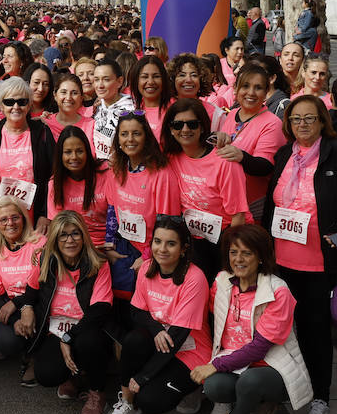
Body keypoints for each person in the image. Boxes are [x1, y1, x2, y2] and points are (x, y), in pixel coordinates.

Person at [262, 95, 337, 414]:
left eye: (310, 118)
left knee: (315, 332)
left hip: (319, 265)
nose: (303, 125)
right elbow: (271, 207)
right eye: (296, 119)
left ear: (322, 121)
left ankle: (320, 395)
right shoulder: (283, 155)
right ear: (288, 124)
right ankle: (281, 389)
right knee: (277, 331)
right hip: (281, 261)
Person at [191, 224, 313, 414]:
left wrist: (216, 365)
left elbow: (259, 348)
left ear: (261, 257)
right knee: (212, 387)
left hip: (270, 366)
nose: (239, 259)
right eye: (233, 252)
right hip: (234, 359)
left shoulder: (278, 291)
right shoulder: (221, 281)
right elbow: (210, 319)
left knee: (250, 381)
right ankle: (256, 406)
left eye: (247, 253)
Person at [104, 217, 211, 414]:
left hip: (189, 350)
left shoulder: (195, 278)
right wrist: (156, 329)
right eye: (158, 241)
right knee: (134, 340)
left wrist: (144, 377)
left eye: (171, 243)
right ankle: (126, 403)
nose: (162, 249)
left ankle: (191, 389)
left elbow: (179, 337)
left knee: (150, 401)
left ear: (183, 249)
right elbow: (137, 310)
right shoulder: (146, 268)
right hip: (160, 343)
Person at [17, 212, 113, 414]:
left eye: (75, 234)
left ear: (83, 236)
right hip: (55, 329)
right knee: (47, 375)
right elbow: (31, 291)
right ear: (55, 239)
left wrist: (68, 337)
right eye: (63, 235)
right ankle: (76, 377)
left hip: (86, 329)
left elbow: (101, 308)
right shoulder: (44, 259)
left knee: (88, 342)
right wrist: (26, 308)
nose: (70, 240)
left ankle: (97, 391)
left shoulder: (98, 263)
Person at [161, 98, 247, 277]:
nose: (185, 130)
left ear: (202, 127)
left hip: (224, 239)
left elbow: (238, 216)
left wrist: (229, 254)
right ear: (170, 129)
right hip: (190, 239)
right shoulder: (171, 157)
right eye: (178, 125)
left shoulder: (224, 161)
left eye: (192, 124)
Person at [99, 110, 180, 295]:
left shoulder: (161, 174)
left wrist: (148, 257)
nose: (130, 139)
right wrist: (109, 246)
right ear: (117, 140)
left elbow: (168, 221)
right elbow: (112, 209)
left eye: (136, 133)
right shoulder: (117, 170)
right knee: (116, 297)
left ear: (146, 138)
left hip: (153, 251)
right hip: (123, 246)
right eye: (124, 134)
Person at [0, 76, 55, 224]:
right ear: (1, 105)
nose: (16, 107)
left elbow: (53, 175)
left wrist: (45, 214)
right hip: (3, 220)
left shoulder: (42, 132)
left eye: (22, 102)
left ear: (29, 104)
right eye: (9, 102)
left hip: (36, 219)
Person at [215, 65, 286, 221]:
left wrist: (241, 157)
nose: (251, 93)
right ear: (237, 88)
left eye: (258, 88)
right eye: (246, 86)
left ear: (266, 92)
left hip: (251, 207)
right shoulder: (233, 113)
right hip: (225, 204)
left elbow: (266, 167)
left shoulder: (272, 123)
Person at [0, 196, 46, 375]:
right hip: (16, 308)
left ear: (23, 218)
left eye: (15, 217)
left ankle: (36, 357)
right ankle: (27, 352)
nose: (10, 223)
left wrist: (23, 305)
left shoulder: (39, 243)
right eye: (3, 219)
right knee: (5, 342)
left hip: (42, 303)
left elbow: (45, 285)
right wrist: (15, 321)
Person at [46, 124, 108, 248]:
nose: (74, 157)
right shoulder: (55, 183)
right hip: (75, 247)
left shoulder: (105, 172)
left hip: (108, 244)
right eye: (68, 152)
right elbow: (57, 225)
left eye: (79, 151)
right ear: (60, 155)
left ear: (87, 151)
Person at [86, 59, 134, 163]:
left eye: (106, 79)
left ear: (119, 81)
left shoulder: (131, 110)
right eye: (96, 79)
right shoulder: (97, 106)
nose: (100, 85)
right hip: (97, 170)